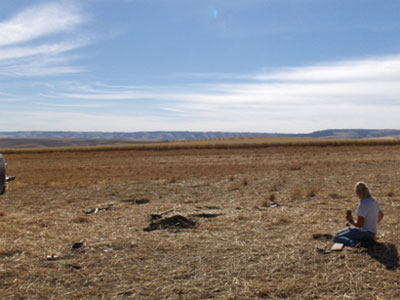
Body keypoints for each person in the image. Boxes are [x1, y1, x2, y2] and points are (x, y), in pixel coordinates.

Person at [334, 182, 384, 247]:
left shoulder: (363, 204)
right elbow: (381, 215)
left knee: (337, 237)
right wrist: (372, 223)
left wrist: (350, 220)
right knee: (338, 233)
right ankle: (363, 241)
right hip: (373, 232)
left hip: (364, 232)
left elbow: (359, 225)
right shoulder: (373, 201)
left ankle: (357, 243)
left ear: (359, 192)